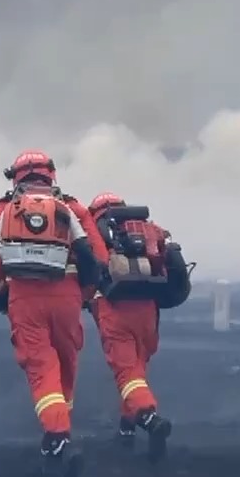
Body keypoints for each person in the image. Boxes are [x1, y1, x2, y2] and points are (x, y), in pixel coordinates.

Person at [0, 150, 108, 477]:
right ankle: (57, 436)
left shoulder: (2, 210)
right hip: (68, 297)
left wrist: (3, 294)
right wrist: (83, 295)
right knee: (66, 365)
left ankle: (60, 438)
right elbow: (99, 259)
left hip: (24, 297)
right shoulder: (73, 208)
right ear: (51, 175)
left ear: (16, 177)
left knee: (41, 369)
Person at [86, 192, 176, 461]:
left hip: (116, 311)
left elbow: (88, 273)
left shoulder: (95, 234)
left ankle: (149, 418)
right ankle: (128, 424)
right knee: (138, 369)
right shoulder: (147, 230)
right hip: (148, 310)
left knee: (126, 373)